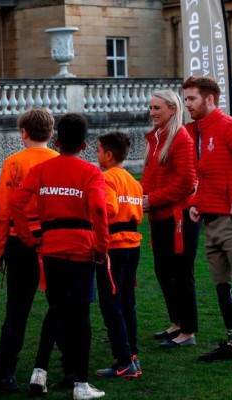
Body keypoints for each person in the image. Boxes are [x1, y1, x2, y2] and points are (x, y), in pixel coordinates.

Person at [10, 113, 107, 400]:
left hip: (50, 246)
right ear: (85, 146)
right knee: (80, 314)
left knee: (55, 310)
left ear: (57, 140)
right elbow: (100, 212)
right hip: (80, 247)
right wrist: (101, 247)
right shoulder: (91, 172)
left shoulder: (41, 170)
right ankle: (80, 384)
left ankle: (39, 373)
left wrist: (29, 238)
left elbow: (16, 202)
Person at [183, 76, 232, 369]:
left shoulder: (228, 127)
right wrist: (197, 203)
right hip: (211, 221)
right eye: (186, 99)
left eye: (192, 99)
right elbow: (209, 174)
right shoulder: (199, 131)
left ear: (209, 99)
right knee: (222, 286)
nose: (187, 105)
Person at [0, 107, 59, 393]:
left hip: (20, 241)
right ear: (51, 133)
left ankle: (5, 373)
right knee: (59, 307)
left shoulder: (14, 162)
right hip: (54, 241)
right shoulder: (58, 160)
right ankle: (65, 369)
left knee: (16, 312)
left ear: (23, 133)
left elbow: (4, 209)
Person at [141, 89, 200, 349]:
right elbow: (150, 176)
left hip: (180, 218)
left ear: (172, 110)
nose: (152, 112)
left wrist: (150, 200)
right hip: (161, 216)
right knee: (163, 271)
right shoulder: (156, 137)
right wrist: (138, 195)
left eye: (157, 108)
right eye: (151, 108)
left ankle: (188, 331)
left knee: (181, 272)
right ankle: (177, 322)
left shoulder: (181, 139)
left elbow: (187, 182)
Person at [94, 132, 143, 378]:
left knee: (111, 304)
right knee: (127, 303)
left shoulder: (106, 178)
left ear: (109, 155)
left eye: (99, 150)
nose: (97, 154)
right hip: (133, 246)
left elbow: (108, 209)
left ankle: (124, 362)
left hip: (114, 247)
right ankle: (133, 356)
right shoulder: (134, 181)